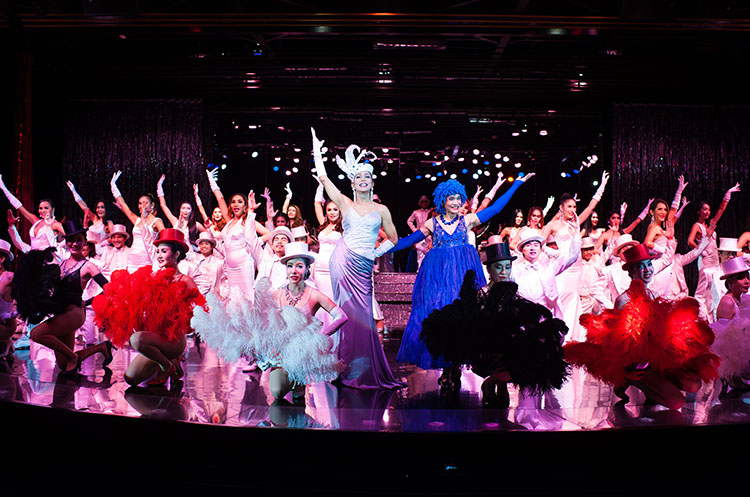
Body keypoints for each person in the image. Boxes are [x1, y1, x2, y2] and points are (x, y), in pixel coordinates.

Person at [390, 174, 534, 390]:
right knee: (441, 316)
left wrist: (516, 186)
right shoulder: (432, 223)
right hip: (437, 275)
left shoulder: (467, 220)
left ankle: (454, 367)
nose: (457, 202)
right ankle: (448, 367)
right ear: (442, 201)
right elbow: (409, 240)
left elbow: (494, 209)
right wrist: (379, 249)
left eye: (459, 198)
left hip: (462, 274)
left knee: (463, 317)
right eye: (451, 199)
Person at [565, 243, 719, 410]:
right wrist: (625, 372)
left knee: (694, 384)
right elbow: (618, 342)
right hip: (638, 366)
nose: (647, 270)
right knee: (677, 402)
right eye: (640, 266)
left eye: (648, 265)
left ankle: (654, 388)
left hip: (658, 361)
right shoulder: (624, 300)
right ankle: (631, 382)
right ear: (631, 272)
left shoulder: (654, 295)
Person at [419, 239, 568, 408]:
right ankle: (490, 382)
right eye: (498, 267)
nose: (504, 272)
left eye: (507, 267)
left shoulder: (515, 292)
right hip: (484, 347)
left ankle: (498, 382)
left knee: (531, 347)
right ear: (489, 269)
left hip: (506, 346)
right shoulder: (481, 294)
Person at [192, 242, 346, 399]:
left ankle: (299, 389)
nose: (294, 270)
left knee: (298, 397)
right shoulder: (276, 294)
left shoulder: (314, 295)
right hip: (280, 353)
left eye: (299, 266)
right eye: (290, 266)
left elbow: (342, 316)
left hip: (302, 354)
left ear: (307, 269)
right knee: (277, 391)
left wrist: (320, 337)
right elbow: (259, 319)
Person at [311, 127, 402, 389]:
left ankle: (362, 368)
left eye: (367, 176)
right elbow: (325, 178)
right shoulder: (344, 203)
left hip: (363, 266)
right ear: (352, 183)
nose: (363, 179)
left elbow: (394, 239)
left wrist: (375, 253)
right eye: (358, 176)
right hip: (342, 261)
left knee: (364, 315)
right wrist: (317, 152)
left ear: (372, 182)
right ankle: (345, 367)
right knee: (346, 314)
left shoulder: (381, 209)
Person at [93, 228, 204, 386]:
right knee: (130, 378)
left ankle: (167, 365)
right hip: (154, 340)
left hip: (173, 341)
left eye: (163, 251)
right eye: (157, 251)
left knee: (136, 339)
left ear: (177, 254)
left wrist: (185, 318)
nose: (159, 255)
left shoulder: (185, 281)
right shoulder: (153, 279)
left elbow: (200, 309)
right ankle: (172, 363)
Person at [11, 220, 113, 376]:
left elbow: (108, 289)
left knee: (36, 334)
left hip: (74, 314)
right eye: (71, 240)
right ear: (66, 242)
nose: (75, 243)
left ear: (84, 241)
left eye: (79, 239)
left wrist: (89, 301)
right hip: (61, 314)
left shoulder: (88, 266)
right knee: (64, 365)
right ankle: (101, 348)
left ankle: (74, 357)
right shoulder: (61, 265)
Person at [540, 172, 609, 342]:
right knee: (563, 299)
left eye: (574, 207)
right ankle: (559, 335)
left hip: (576, 267)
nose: (572, 210)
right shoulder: (554, 224)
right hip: (562, 268)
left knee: (574, 301)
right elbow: (538, 243)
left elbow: (590, 207)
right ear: (561, 208)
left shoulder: (576, 224)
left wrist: (601, 187)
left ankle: (571, 338)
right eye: (569, 207)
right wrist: (554, 253)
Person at [687, 183, 741, 321]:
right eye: (704, 209)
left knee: (714, 291)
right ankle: (699, 318)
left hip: (714, 262)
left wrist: (728, 195)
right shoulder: (697, 226)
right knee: (702, 291)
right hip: (704, 263)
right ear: (698, 211)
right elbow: (690, 241)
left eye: (709, 210)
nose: (707, 212)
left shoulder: (710, 226)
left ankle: (713, 317)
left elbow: (721, 210)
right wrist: (699, 251)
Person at [109, 171, 166, 272]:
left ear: (152, 205)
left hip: (147, 258)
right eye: (140, 203)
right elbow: (123, 204)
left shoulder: (157, 221)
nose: (142, 205)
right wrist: (113, 186)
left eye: (145, 203)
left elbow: (166, 237)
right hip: (133, 258)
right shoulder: (136, 220)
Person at [710, 256, 750, 393]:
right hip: (732, 357)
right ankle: (731, 377)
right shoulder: (727, 302)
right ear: (730, 281)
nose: (747, 281)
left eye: (747, 277)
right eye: (741, 278)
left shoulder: (740, 300)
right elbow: (722, 341)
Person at [1, 175, 65, 254]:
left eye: (46, 208)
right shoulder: (36, 220)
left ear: (53, 210)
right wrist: (3, 187)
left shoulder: (55, 224)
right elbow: (20, 207)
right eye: (40, 208)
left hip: (49, 259)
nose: (43, 211)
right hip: (34, 257)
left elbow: (70, 237)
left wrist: (57, 247)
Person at [157, 174, 206, 248]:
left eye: (188, 208)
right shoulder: (175, 221)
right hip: (176, 254)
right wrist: (159, 186)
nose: (185, 211)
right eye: (183, 208)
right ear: (180, 210)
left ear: (191, 211)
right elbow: (163, 205)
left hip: (190, 254)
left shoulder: (196, 224)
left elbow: (207, 234)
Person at [65, 180, 114, 250]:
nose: (99, 210)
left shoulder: (109, 223)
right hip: (88, 250)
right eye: (98, 207)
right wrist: (74, 191)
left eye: (102, 207)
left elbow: (113, 238)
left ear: (107, 209)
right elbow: (84, 207)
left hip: (102, 251)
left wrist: (100, 245)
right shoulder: (95, 219)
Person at [0, 240, 16, 359]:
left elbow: (28, 294)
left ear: (1, 259)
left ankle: (5, 341)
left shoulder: (8, 277)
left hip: (6, 326)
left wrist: (12, 314)